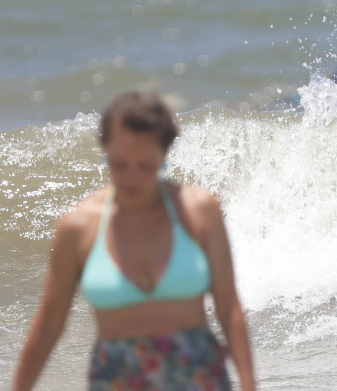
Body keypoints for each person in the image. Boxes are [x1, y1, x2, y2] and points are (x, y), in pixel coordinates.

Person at [13, 90, 256, 391]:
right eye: (119, 164)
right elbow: (49, 325)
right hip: (116, 379)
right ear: (105, 151)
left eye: (145, 167)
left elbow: (229, 308)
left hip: (197, 376)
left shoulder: (199, 212)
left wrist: (249, 384)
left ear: (164, 156)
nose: (131, 178)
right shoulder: (78, 227)